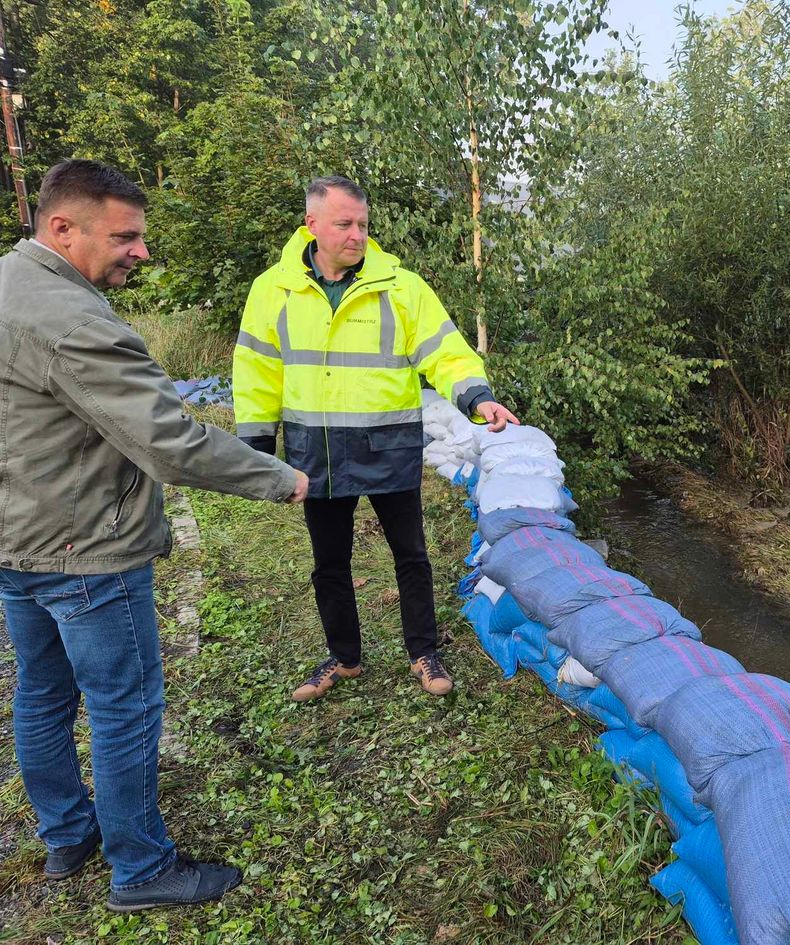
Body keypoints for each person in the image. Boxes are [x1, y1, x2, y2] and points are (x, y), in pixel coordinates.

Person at [0, 159, 309, 911]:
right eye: (127, 236)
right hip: (84, 548)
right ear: (62, 227)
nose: (141, 251)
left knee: (42, 693)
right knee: (124, 702)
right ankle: (141, 868)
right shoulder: (73, 321)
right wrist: (279, 478)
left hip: (17, 537)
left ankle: (68, 835)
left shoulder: (10, 280)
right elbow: (168, 440)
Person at [233, 176, 517, 703]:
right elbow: (257, 369)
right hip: (317, 451)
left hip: (388, 446)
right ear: (312, 226)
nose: (357, 235)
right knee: (329, 561)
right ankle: (344, 658)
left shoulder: (402, 288)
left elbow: (446, 352)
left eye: (363, 224)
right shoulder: (273, 290)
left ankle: (424, 652)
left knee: (410, 555)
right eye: (344, 224)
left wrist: (476, 397)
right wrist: (256, 444)